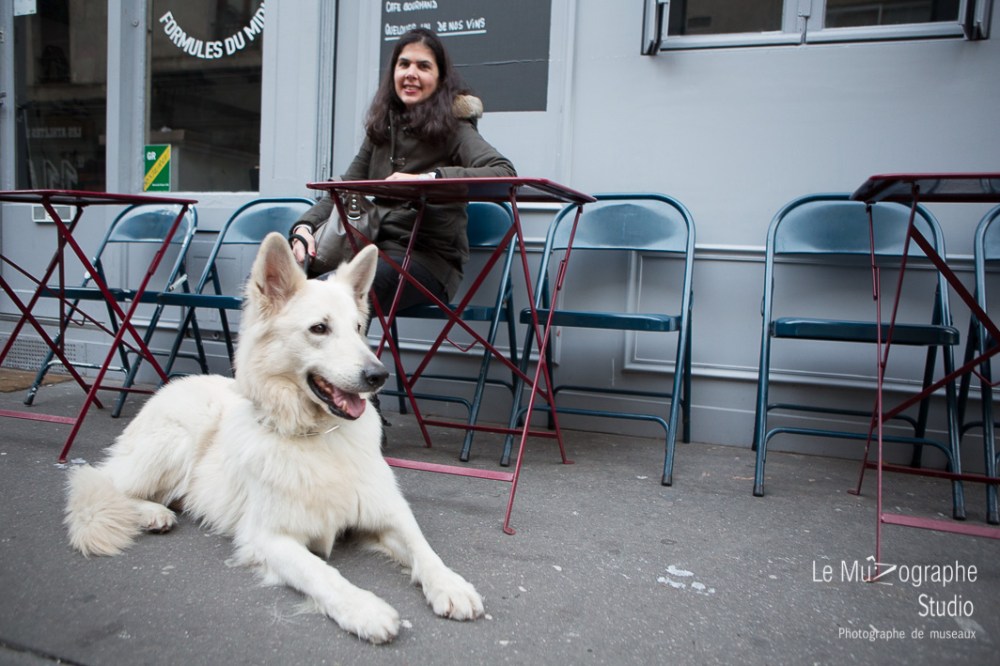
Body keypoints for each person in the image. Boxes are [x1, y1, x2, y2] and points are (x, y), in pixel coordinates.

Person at [290, 27, 517, 317]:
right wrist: (304, 228)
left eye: (423, 66)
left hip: (428, 262)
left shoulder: (454, 128)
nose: (411, 73)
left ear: (440, 79)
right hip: (372, 252)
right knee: (278, 285)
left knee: (334, 294)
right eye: (404, 64)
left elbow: (503, 172)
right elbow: (343, 190)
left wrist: (427, 180)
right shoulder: (381, 130)